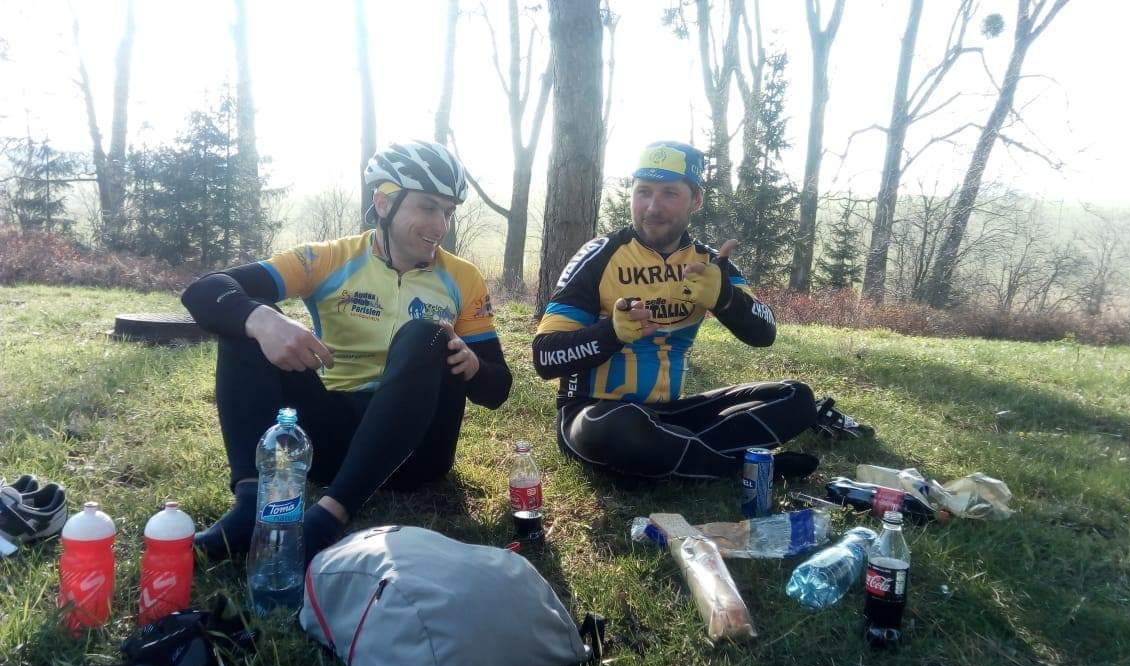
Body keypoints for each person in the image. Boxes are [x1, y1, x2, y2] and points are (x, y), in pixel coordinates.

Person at [182, 140, 511, 561]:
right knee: (246, 321)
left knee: (426, 335)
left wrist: (474, 367)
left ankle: (327, 518)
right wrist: (260, 320)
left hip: (417, 454)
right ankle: (249, 506)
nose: (440, 224)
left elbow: (498, 389)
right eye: (428, 207)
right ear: (384, 202)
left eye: (448, 211)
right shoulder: (330, 259)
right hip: (332, 439)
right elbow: (204, 291)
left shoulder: (463, 277)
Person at [532, 141, 867, 480]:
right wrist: (611, 333)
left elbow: (765, 333)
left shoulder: (708, 263)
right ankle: (737, 469)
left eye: (669, 194)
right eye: (643, 192)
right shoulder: (599, 256)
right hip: (595, 413)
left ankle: (674, 454)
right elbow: (544, 358)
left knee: (797, 398)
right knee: (624, 428)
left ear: (696, 200)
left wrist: (725, 299)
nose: (652, 207)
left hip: (670, 414)